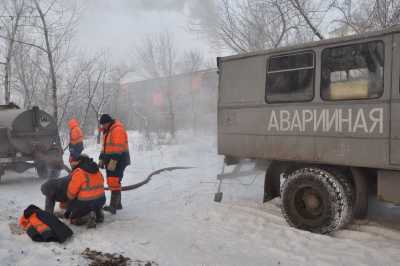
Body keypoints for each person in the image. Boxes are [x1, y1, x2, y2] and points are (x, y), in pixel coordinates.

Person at [98, 114, 130, 214]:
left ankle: (113, 206)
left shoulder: (117, 130)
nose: (102, 127)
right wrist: (101, 158)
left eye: (103, 125)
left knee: (114, 181)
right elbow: (105, 147)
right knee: (112, 181)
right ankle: (118, 204)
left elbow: (118, 148)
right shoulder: (107, 131)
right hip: (110, 159)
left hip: (119, 159)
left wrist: (113, 161)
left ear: (108, 122)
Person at [65, 154, 106, 228]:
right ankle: (98, 213)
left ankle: (88, 216)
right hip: (101, 199)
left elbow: (71, 194)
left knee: (74, 220)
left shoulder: (79, 172)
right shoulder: (96, 169)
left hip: (85, 202)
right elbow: (102, 181)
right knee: (94, 202)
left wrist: (70, 205)